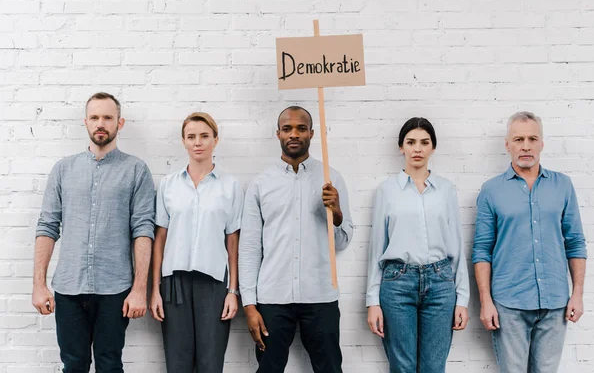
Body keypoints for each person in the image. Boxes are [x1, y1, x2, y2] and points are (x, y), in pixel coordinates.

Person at [32, 92, 155, 373]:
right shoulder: (63, 169)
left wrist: (139, 289)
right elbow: (47, 226)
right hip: (69, 288)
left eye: (108, 117)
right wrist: (39, 284)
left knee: (110, 365)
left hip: (115, 290)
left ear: (119, 123)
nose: (101, 123)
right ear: (85, 122)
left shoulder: (136, 170)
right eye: (95, 117)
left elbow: (143, 230)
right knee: (73, 365)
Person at [239, 106, 354, 373]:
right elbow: (249, 249)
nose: (294, 134)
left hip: (321, 296)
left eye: (301, 128)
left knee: (330, 369)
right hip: (272, 297)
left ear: (312, 133)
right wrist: (249, 305)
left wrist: (336, 213)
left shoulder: (331, 179)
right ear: (277, 133)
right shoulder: (260, 184)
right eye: (287, 128)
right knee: (268, 369)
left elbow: (342, 243)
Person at [472, 111, 587, 373]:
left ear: (542, 143)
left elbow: (576, 242)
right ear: (507, 145)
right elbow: (481, 250)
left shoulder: (563, 185)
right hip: (508, 304)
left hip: (555, 303)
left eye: (532, 138)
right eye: (519, 139)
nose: (526, 145)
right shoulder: (491, 190)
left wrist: (577, 294)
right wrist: (486, 300)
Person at [366, 117, 470, 373]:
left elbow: (456, 243)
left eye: (424, 142)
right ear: (401, 147)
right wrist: (372, 301)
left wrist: (463, 299)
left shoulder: (446, 190)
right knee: (403, 367)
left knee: (434, 367)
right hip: (397, 283)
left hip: (441, 282)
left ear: (433, 147)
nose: (417, 149)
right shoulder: (387, 190)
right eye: (411, 142)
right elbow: (377, 247)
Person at [149, 112, 242, 373]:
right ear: (183, 142)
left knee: (210, 364)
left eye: (204, 136)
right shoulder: (168, 185)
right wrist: (155, 290)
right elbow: (160, 240)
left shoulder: (230, 186)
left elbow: (233, 243)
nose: (197, 142)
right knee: (177, 365)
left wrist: (232, 292)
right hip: (174, 283)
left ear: (215, 140)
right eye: (191, 137)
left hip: (213, 283)